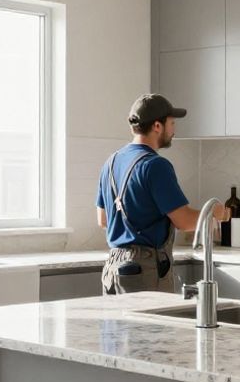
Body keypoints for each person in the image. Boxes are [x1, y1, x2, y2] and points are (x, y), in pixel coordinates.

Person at [97, 94, 228, 293]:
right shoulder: (155, 165)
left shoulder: (111, 162)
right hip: (144, 271)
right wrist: (216, 213)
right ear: (157, 126)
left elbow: (103, 219)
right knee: (152, 325)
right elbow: (183, 221)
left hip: (113, 269)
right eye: (172, 123)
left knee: (120, 325)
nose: (174, 130)